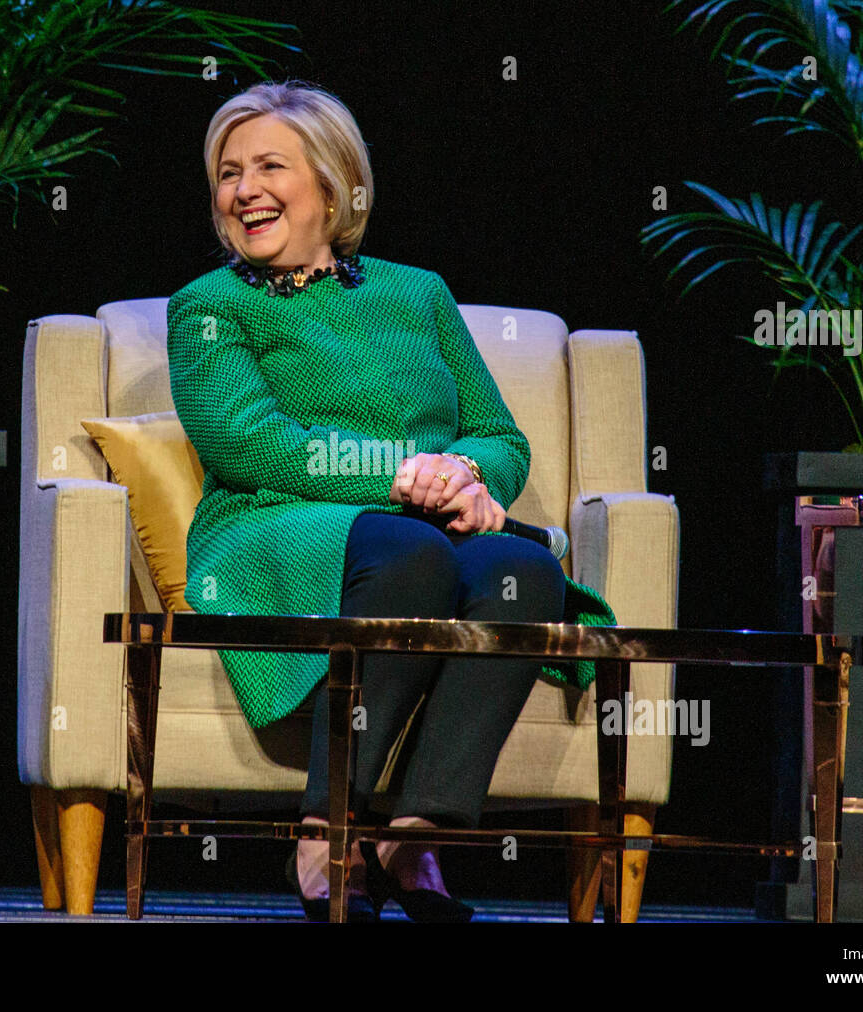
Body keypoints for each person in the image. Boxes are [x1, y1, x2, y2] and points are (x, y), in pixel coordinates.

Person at [167, 79, 609, 922]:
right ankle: (324, 825)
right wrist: (404, 477)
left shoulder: (420, 292)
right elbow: (250, 441)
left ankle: (412, 835)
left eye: (269, 166)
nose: (244, 189)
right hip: (273, 521)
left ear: (333, 186)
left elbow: (498, 434)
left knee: (519, 567)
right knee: (407, 549)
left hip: (419, 521)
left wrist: (469, 479)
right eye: (229, 173)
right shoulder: (208, 307)